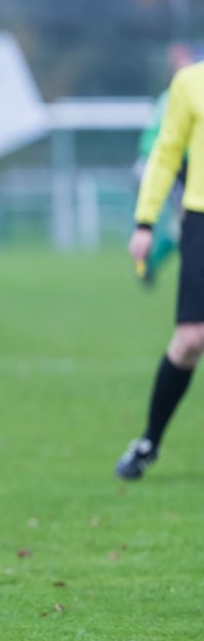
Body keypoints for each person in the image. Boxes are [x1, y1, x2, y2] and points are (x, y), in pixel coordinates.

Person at [116, 56, 204, 480]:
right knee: (190, 339)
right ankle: (149, 441)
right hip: (201, 219)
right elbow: (167, 153)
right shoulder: (189, 83)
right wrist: (145, 222)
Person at [132, 43, 196, 286]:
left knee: (183, 225)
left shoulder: (175, 96)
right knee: (185, 223)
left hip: (170, 167)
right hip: (163, 167)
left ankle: (150, 262)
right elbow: (162, 147)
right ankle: (150, 262)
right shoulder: (173, 99)